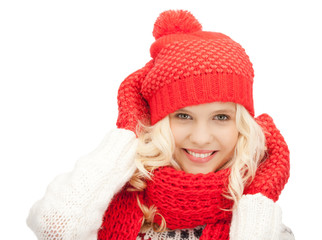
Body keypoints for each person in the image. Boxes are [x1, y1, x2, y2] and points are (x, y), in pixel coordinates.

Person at [27, 10, 295, 240]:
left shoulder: (262, 224)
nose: (201, 138)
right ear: (156, 122)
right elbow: (54, 230)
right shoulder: (100, 204)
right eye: (183, 116)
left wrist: (259, 197)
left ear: (242, 127)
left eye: (221, 117)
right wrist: (128, 134)